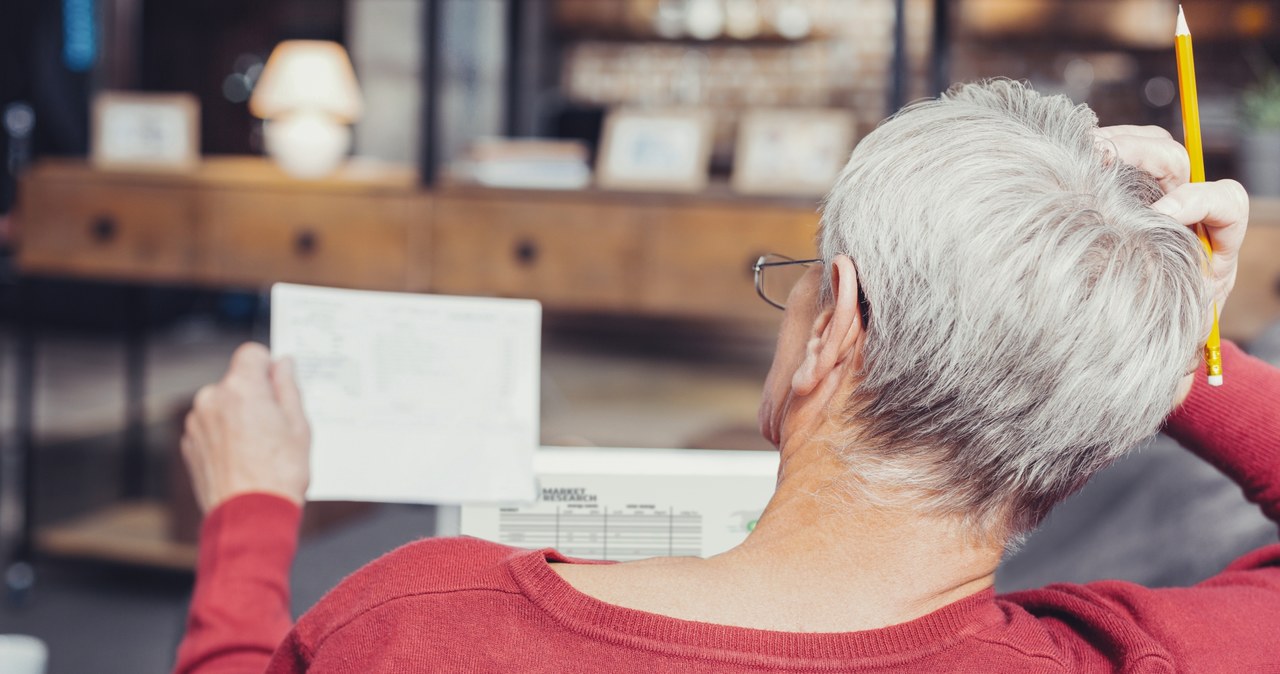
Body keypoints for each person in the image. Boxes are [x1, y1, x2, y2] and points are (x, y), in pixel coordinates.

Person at [172, 80, 1278, 673]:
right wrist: (1170, 339)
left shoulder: (418, 621)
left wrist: (249, 518)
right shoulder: (1127, 660)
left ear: (833, 324)